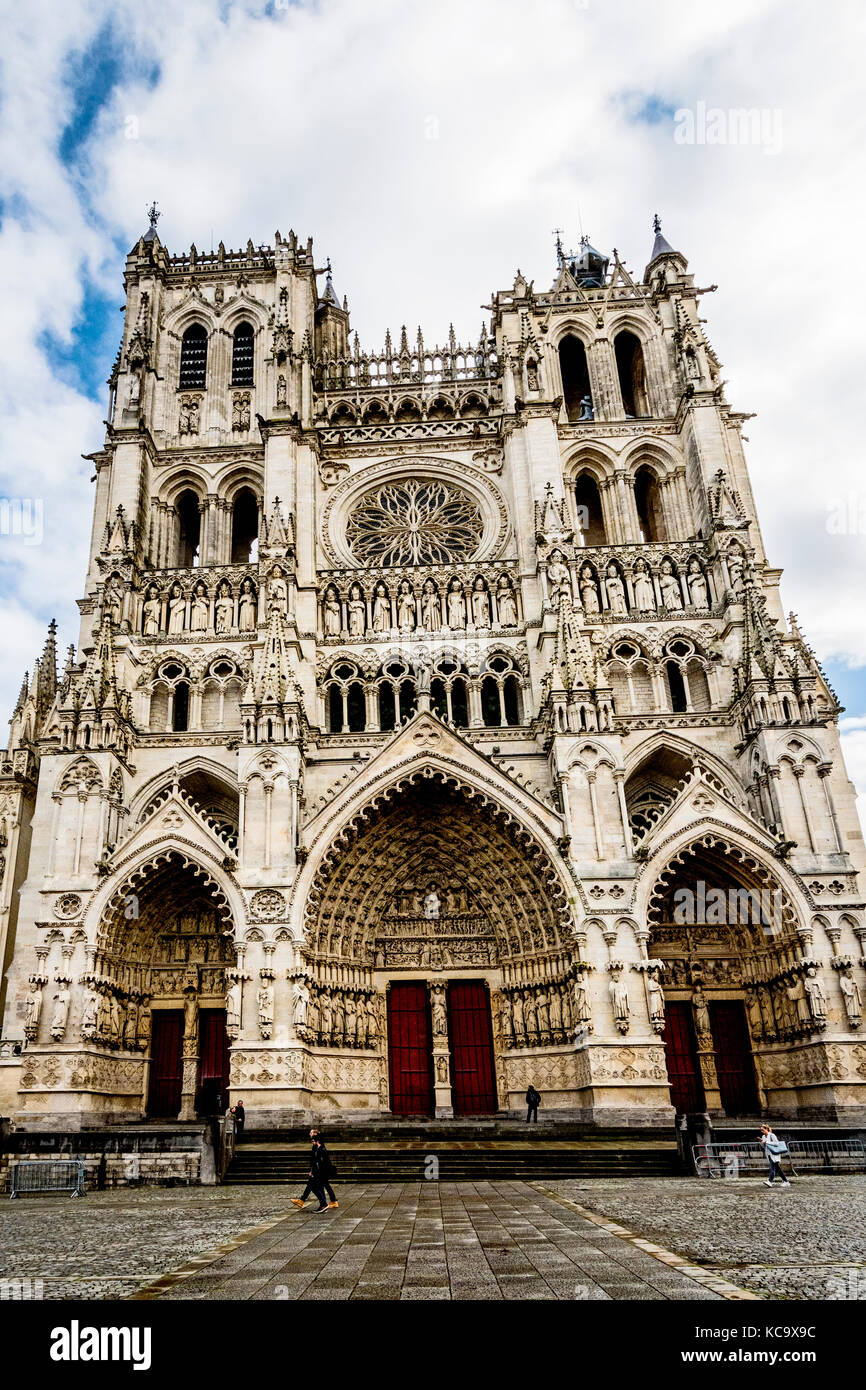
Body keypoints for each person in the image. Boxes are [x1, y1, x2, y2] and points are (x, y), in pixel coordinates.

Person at [291, 1128, 339, 1210]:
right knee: (320, 1185)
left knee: (316, 1185)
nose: (309, 1134)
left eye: (311, 1133)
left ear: (315, 1135)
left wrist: (313, 1171)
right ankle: (327, 1202)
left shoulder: (319, 1146)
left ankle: (323, 1203)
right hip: (319, 1171)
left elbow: (317, 1161)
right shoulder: (317, 1145)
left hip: (321, 1171)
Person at [759, 1123, 791, 1187]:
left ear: (766, 1129)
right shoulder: (763, 1136)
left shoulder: (772, 1135)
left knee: (772, 1168)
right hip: (768, 1154)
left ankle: (770, 1181)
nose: (761, 1131)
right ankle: (786, 1181)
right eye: (761, 1130)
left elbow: (776, 1143)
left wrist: (767, 1142)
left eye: (762, 1130)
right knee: (777, 1169)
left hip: (774, 1154)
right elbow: (764, 1146)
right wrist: (761, 1142)